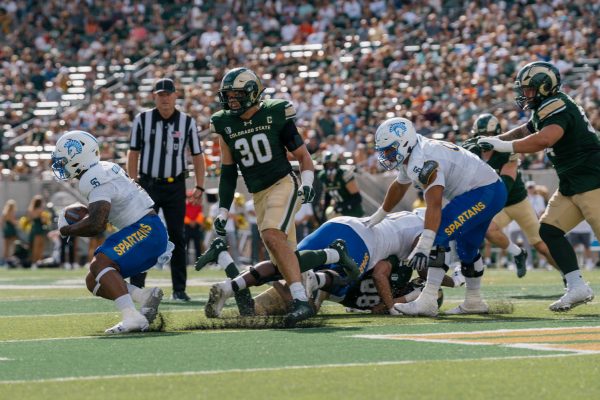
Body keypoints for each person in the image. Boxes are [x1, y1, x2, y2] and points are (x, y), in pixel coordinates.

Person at [478, 61, 598, 311]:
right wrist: (495, 139)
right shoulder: (544, 107)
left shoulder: (557, 106)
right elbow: (527, 130)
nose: (525, 94)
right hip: (571, 183)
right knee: (549, 230)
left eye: (529, 89)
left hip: (592, 180)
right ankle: (577, 287)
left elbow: (545, 139)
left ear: (545, 87)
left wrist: (504, 146)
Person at [197, 211, 461, 318]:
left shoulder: (409, 230)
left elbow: (429, 271)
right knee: (346, 275)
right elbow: (391, 271)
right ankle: (325, 267)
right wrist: (392, 305)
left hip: (342, 224)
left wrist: (454, 280)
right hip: (361, 243)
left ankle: (228, 277)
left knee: (286, 266)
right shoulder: (410, 250)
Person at [208, 67, 317, 324]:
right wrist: (224, 209)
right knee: (281, 256)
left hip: (283, 183)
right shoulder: (224, 122)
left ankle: (301, 300)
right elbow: (227, 171)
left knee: (270, 233)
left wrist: (308, 181)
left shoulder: (275, 113)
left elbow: (303, 157)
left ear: (253, 93)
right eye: (228, 95)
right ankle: (300, 298)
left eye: (237, 94)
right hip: (257, 193)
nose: (232, 99)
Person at [366, 117, 507, 316]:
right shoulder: (414, 153)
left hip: (484, 191)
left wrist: (425, 244)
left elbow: (434, 205)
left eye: (390, 149)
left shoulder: (424, 158)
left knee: (437, 233)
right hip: (489, 189)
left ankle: (428, 299)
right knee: (466, 248)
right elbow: (399, 185)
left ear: (404, 141)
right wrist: (381, 213)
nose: (387, 155)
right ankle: (474, 301)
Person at [52, 130, 170, 334]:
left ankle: (131, 317)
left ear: (78, 157)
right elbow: (100, 214)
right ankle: (144, 296)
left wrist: (67, 229)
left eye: (64, 158)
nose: (61, 163)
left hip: (146, 230)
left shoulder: (93, 176)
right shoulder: (104, 168)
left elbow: (97, 224)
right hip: (148, 229)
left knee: (101, 263)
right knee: (93, 281)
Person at [127, 78, 206, 302]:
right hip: (148, 184)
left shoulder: (187, 122)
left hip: (175, 185)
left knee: (177, 236)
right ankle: (137, 285)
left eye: (168, 94)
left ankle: (179, 289)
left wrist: (200, 185)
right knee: (143, 234)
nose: (164, 98)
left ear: (175, 96)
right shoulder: (142, 120)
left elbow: (198, 155)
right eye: (160, 94)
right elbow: (133, 153)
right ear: (154, 96)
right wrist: (133, 182)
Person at [463, 113, 558, 278]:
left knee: (541, 246)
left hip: (517, 202)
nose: (485, 138)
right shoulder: (474, 152)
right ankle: (518, 253)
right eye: (481, 135)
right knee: (489, 230)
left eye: (489, 135)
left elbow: (507, 182)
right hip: (499, 205)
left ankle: (567, 274)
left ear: (498, 134)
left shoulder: (505, 150)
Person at [317, 151, 364, 219]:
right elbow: (328, 195)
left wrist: (341, 207)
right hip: (339, 214)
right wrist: (324, 212)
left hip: (354, 213)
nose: (330, 168)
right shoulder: (323, 176)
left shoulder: (344, 174)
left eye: (332, 165)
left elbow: (357, 198)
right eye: (327, 165)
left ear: (337, 164)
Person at [27, 195, 48, 266]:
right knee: (40, 246)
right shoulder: (40, 210)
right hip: (39, 229)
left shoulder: (31, 210)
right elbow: (44, 221)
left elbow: (29, 220)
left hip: (34, 228)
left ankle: (35, 262)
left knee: (35, 246)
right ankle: (37, 262)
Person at [1, 199, 18, 267]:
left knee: (6, 247)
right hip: (11, 230)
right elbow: (13, 222)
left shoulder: (4, 213)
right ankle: (9, 261)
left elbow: (1, 223)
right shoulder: (10, 213)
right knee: (12, 247)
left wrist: (3, 229)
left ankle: (6, 261)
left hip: (7, 230)